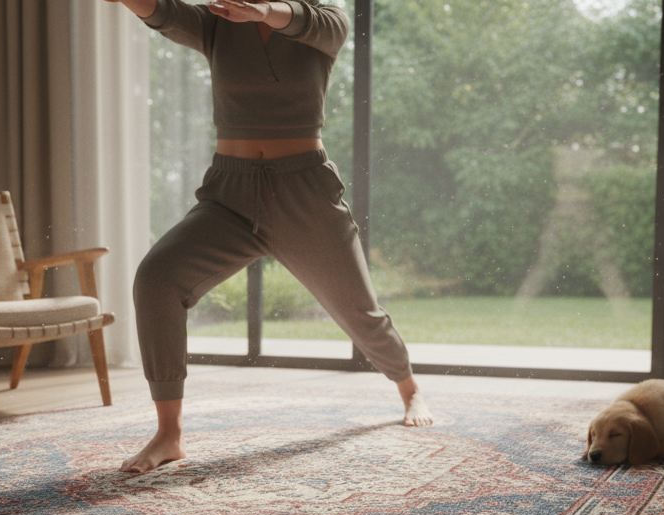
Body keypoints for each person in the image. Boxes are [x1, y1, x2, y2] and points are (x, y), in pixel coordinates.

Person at [108, 0, 433, 473]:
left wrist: (263, 13)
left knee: (360, 313)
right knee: (157, 279)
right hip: (230, 193)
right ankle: (168, 434)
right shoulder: (217, 24)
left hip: (304, 193)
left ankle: (409, 387)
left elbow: (302, 20)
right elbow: (165, 13)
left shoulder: (327, 21)